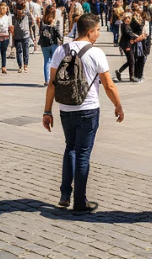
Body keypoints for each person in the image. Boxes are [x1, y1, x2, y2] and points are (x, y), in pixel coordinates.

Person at [43, 13, 124, 213]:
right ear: (90, 31)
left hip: (65, 108)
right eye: (97, 30)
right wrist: (118, 106)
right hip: (88, 109)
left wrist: (47, 111)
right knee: (83, 154)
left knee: (70, 148)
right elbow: (108, 85)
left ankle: (64, 194)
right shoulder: (96, 53)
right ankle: (80, 202)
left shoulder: (61, 50)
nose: (98, 33)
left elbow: (52, 84)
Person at [38, 6, 64, 86]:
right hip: (53, 43)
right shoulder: (55, 21)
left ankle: (47, 80)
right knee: (55, 61)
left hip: (44, 44)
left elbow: (40, 32)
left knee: (46, 61)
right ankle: (54, 78)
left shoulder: (42, 21)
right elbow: (58, 32)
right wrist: (61, 40)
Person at [13, 3, 35, 74]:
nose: (19, 11)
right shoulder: (14, 17)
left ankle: (25, 65)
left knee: (26, 50)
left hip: (25, 35)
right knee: (19, 50)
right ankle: (20, 66)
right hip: (17, 35)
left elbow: (32, 22)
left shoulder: (26, 16)